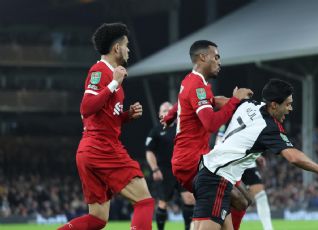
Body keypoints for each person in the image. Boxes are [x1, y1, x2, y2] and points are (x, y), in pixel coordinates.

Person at [192, 79, 318, 230]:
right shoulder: (270, 127)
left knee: (244, 202)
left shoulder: (250, 104)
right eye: (287, 104)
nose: (291, 108)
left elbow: (220, 101)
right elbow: (293, 157)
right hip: (215, 180)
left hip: (213, 173)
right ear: (274, 105)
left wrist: (192, 106)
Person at [58, 23, 154, 230]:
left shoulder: (111, 74)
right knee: (144, 201)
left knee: (97, 219)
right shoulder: (100, 71)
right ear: (117, 48)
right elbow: (86, 108)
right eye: (127, 45)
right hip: (101, 147)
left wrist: (127, 116)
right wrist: (113, 84)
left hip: (90, 150)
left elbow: (105, 117)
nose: (129, 49)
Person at [161, 40, 253, 230]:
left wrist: (170, 116)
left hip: (201, 158)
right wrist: (234, 101)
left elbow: (185, 103)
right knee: (239, 201)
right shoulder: (197, 86)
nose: (219, 62)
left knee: (244, 199)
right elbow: (210, 123)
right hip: (191, 162)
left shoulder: (191, 81)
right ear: (203, 57)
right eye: (216, 57)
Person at [145, 101, 193, 230]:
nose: (167, 112)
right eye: (164, 110)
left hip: (182, 170)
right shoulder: (155, 131)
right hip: (164, 171)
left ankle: (188, 228)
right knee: (163, 202)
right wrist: (155, 169)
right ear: (160, 114)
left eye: (169, 110)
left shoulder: (181, 128)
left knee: (189, 198)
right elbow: (149, 152)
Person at [216, 127, 273, 230]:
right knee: (234, 199)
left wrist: (255, 156)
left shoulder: (248, 116)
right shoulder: (227, 118)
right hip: (230, 162)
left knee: (260, 195)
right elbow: (219, 141)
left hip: (247, 162)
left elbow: (247, 139)